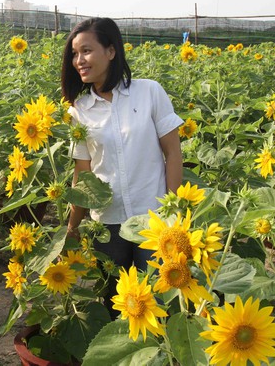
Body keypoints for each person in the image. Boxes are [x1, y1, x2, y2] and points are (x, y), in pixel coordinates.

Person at [61, 17, 183, 317]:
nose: (79, 61)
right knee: (117, 303)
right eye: (75, 55)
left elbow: (174, 153)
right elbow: (83, 174)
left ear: (111, 51)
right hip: (107, 224)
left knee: (157, 301)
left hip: (152, 220)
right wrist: (73, 225)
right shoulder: (79, 111)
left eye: (86, 51)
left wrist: (173, 212)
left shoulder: (149, 92)